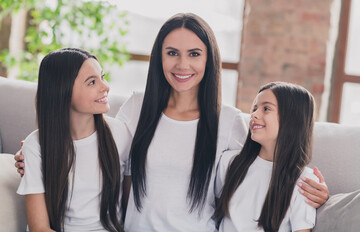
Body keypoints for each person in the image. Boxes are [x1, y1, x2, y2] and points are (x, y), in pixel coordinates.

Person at [15, 13, 329, 231]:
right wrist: (36, 154)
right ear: (159, 57)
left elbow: (267, 167)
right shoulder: (137, 107)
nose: (182, 64)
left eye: (194, 53)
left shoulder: (231, 122)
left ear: (210, 59)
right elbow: (91, 150)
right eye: (171, 53)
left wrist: (314, 192)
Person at [16, 48, 131, 231]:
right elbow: (39, 228)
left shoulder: (120, 134)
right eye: (92, 82)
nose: (105, 87)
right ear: (63, 91)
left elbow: (131, 209)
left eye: (102, 76)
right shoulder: (36, 146)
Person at [214, 82, 318, 232]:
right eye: (255, 108)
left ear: (292, 119)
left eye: (266, 109)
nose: (254, 114)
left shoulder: (304, 181)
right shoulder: (229, 162)